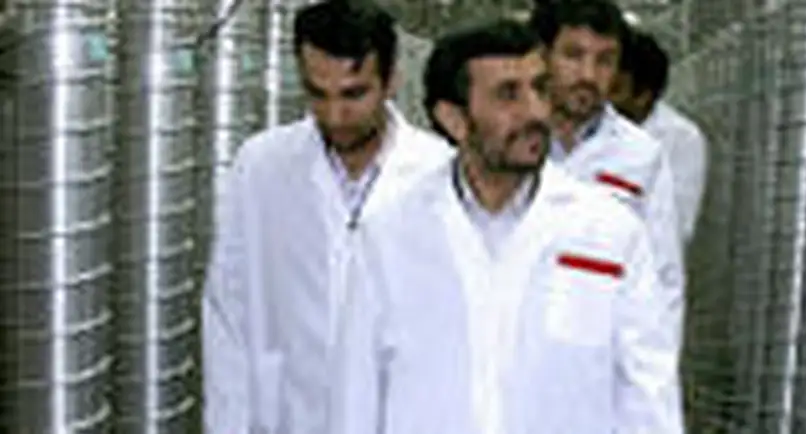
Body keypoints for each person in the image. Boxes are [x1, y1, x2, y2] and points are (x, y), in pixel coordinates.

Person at [334, 19, 685, 434]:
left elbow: (648, 397)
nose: (535, 112)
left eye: (540, 89)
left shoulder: (609, 232)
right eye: (508, 95)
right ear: (454, 120)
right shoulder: (389, 237)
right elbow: (355, 402)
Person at [200, 1, 453, 432]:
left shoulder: (440, 175)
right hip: (292, 417)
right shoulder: (261, 166)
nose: (335, 116)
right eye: (317, 94)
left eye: (354, 94)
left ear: (391, 80)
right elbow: (229, 311)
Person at [528, 0, 686, 338]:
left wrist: (651, 365)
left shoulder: (641, 157)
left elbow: (662, 279)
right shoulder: (504, 139)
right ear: (541, 56)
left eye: (604, 60)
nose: (588, 75)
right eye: (573, 55)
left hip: (597, 349)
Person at [611, 29, 707, 243]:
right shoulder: (592, 127)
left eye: (616, 90)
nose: (607, 99)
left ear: (643, 96)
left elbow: (677, 225)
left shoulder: (681, 139)